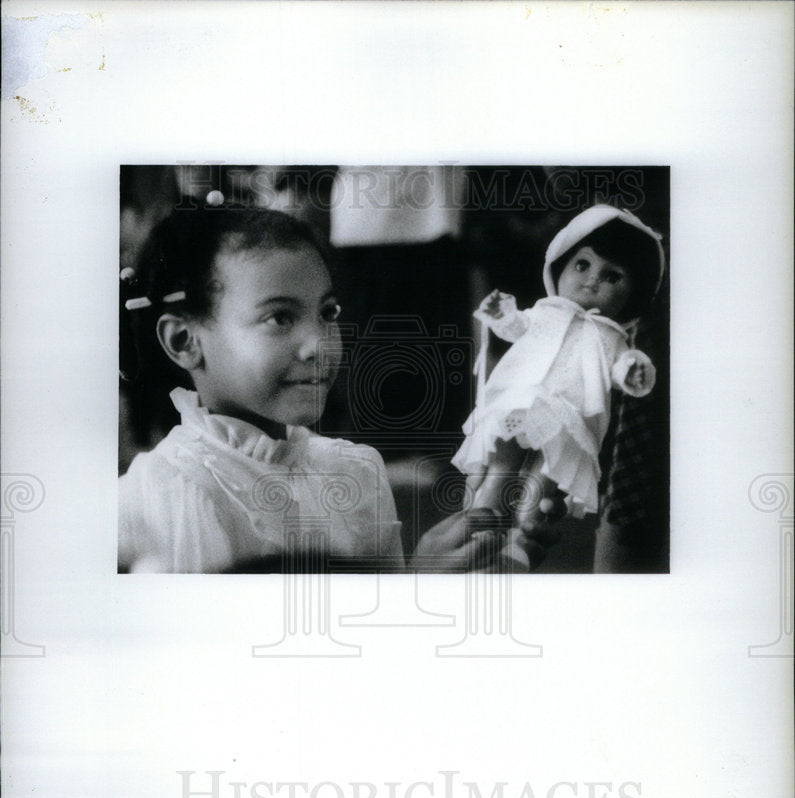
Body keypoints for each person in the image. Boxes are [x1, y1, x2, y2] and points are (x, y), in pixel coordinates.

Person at [118, 198, 560, 573]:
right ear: (184, 341)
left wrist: (463, 565)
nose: (320, 344)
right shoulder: (162, 497)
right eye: (279, 317)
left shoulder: (356, 470)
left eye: (327, 313)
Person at [451, 204, 665, 529]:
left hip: (569, 413)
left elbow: (618, 368)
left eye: (612, 276)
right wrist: (502, 315)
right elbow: (518, 327)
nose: (592, 281)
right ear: (560, 266)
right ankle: (488, 506)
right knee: (503, 456)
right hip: (522, 397)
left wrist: (631, 370)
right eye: (582, 265)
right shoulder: (544, 311)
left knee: (548, 468)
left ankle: (528, 521)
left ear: (632, 296)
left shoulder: (610, 336)